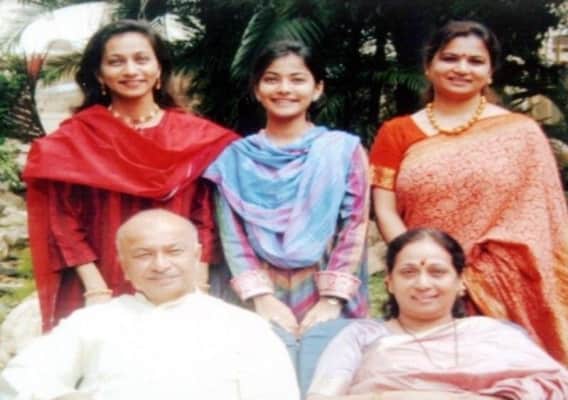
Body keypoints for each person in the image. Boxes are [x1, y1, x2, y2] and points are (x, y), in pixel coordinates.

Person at [369, 20, 568, 363]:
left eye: (475, 61)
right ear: (429, 66)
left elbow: (540, 218)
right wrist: (424, 264)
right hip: (428, 282)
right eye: (450, 58)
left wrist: (481, 274)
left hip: (508, 282)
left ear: (490, 73)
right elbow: (385, 209)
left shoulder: (521, 133)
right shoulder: (396, 132)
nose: (462, 68)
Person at [22, 20, 237, 331]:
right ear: (99, 74)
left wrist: (197, 287)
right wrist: (96, 291)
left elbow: (206, 217)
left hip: (180, 283)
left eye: (141, 59)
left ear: (159, 69)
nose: (131, 70)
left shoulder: (198, 139)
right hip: (99, 284)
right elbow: (64, 224)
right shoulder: (73, 142)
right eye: (116, 61)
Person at [0, 209, 300, 400]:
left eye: (174, 251)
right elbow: (19, 380)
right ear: (124, 265)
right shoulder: (93, 322)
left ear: (196, 256)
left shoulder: (244, 328)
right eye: (143, 255)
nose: (160, 265)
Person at [204, 40, 369, 336]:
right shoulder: (234, 159)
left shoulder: (342, 151)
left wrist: (331, 300)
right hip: (253, 298)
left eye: (297, 79)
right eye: (271, 79)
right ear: (256, 89)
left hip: (329, 293)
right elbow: (232, 236)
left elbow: (354, 227)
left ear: (317, 88)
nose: (284, 89)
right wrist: (261, 298)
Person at [307, 228, 568, 400]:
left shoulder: (494, 334)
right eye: (408, 272)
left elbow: (554, 387)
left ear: (461, 282)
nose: (423, 284)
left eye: (437, 272)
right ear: (390, 283)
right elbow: (322, 397)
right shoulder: (360, 336)